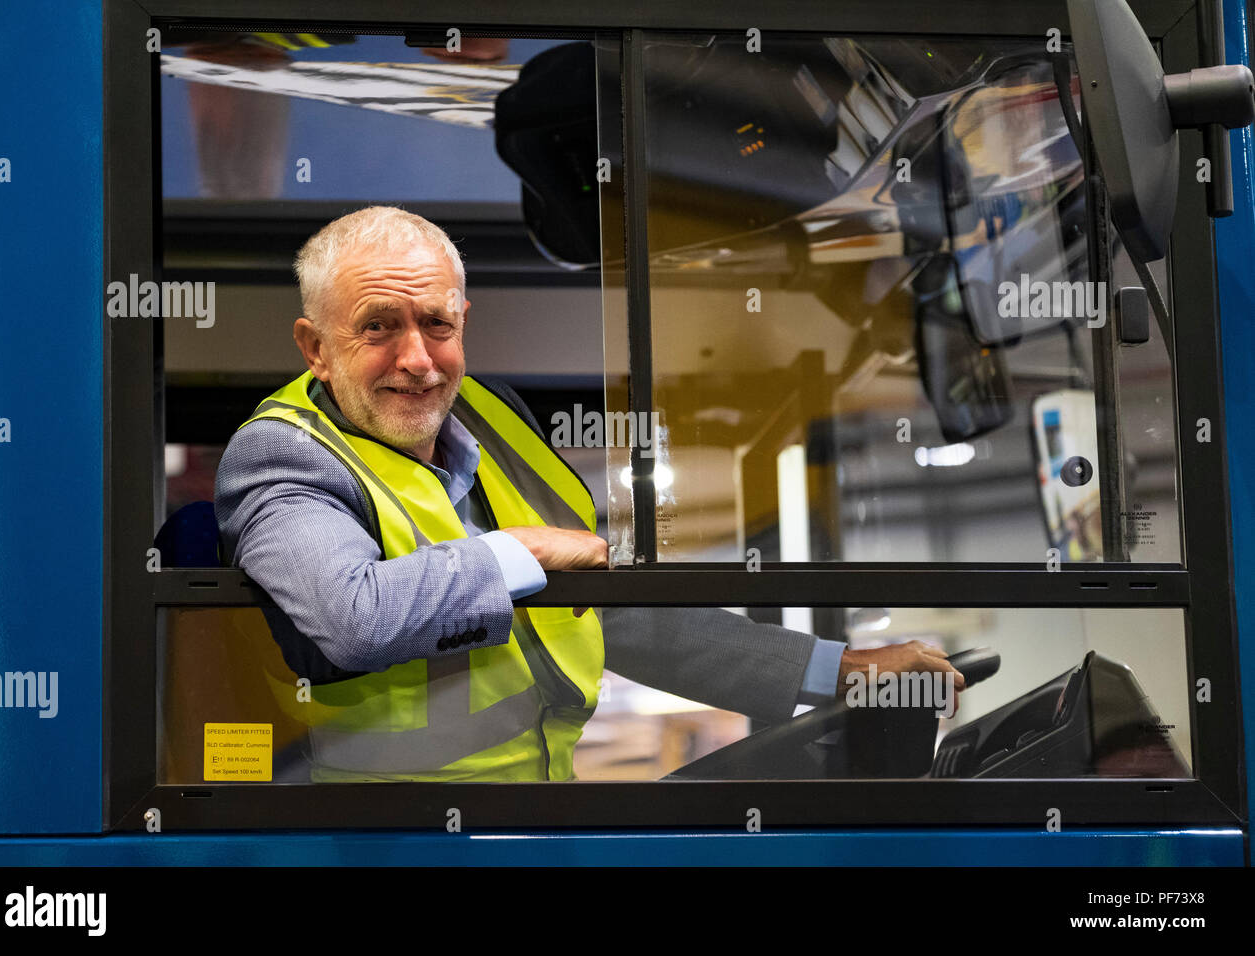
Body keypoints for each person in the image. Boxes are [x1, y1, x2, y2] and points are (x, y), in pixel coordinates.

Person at [214, 205, 963, 782]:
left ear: (463, 321)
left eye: (435, 323)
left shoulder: (493, 415)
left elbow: (607, 609)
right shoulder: (282, 454)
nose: (417, 359)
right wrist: (525, 551)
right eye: (378, 326)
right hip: (381, 841)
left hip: (545, 808)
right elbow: (356, 618)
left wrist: (838, 669)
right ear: (315, 347)